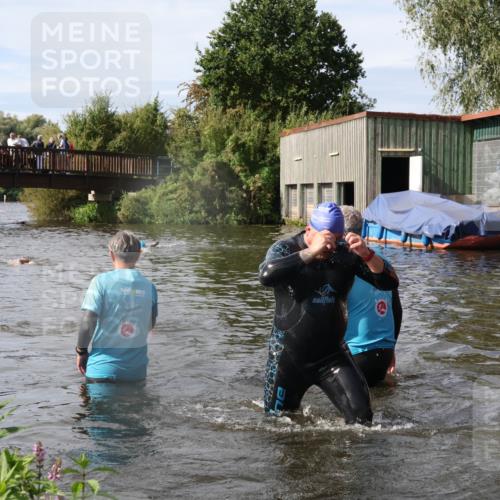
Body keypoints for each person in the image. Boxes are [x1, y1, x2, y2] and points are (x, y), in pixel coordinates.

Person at [258, 202, 399, 425]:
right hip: (288, 357)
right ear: (308, 231)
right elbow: (266, 275)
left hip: (331, 356)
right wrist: (311, 251)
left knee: (363, 420)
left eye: (335, 238)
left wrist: (367, 254)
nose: (329, 246)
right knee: (277, 424)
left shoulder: (345, 254)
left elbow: (389, 283)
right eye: (324, 238)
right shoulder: (285, 248)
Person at [76, 231, 158, 383]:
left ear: (111, 255)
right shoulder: (149, 287)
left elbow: (88, 321)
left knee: (88, 403)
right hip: (136, 372)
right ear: (139, 254)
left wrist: (81, 351)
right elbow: (149, 325)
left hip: (102, 370)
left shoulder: (100, 282)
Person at [341, 206, 403, 387]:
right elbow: (397, 309)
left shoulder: (342, 266)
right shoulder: (382, 263)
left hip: (355, 354)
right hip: (383, 353)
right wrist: (391, 349)